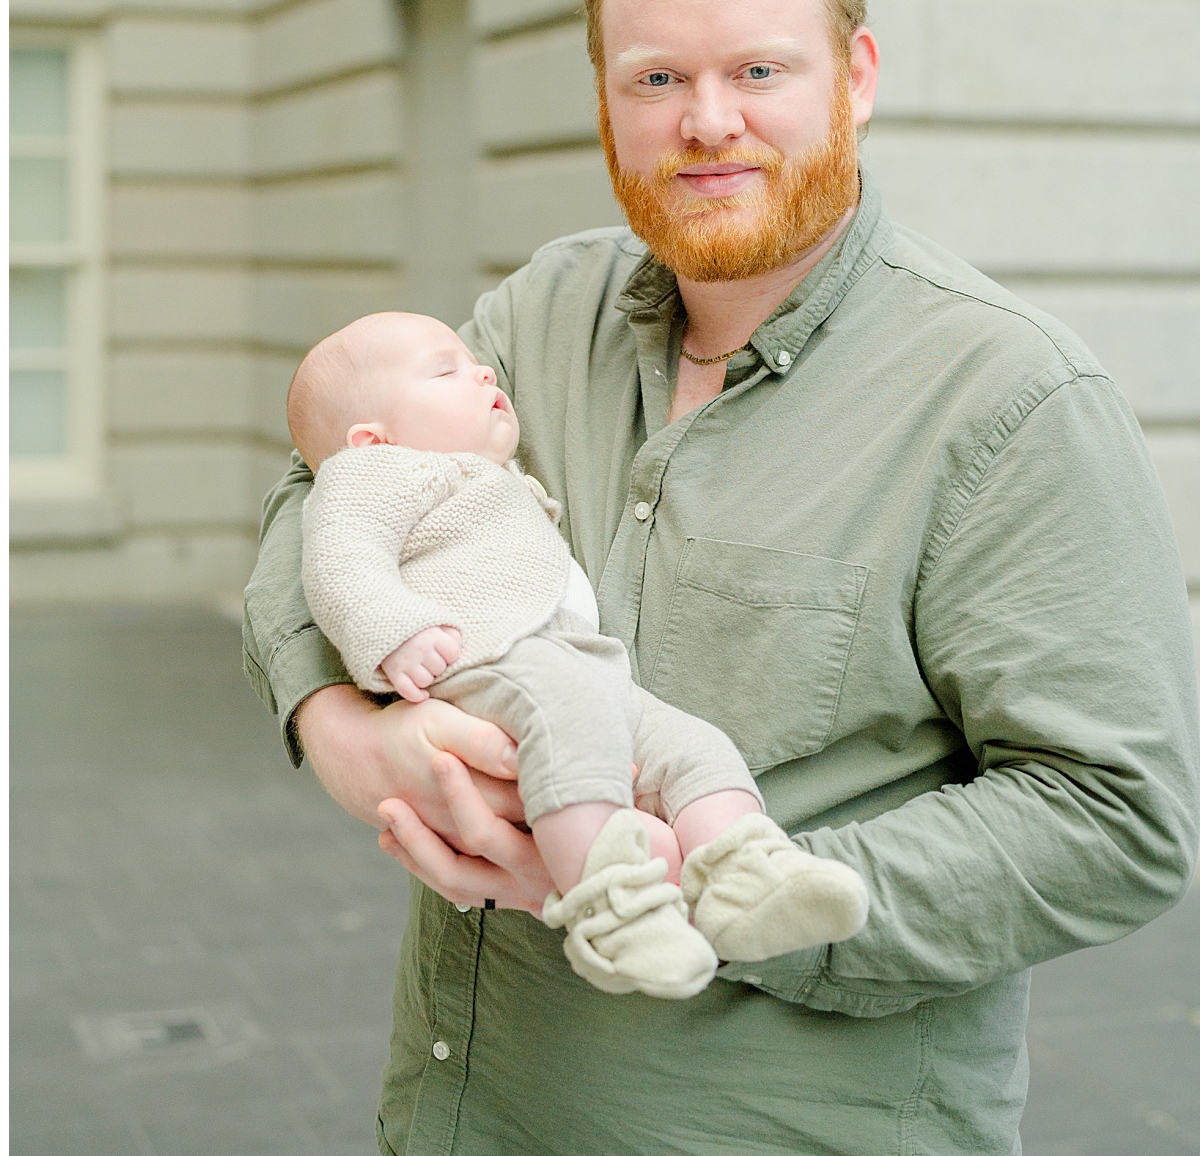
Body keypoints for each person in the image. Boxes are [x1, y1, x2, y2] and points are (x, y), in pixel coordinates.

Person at [243, 0, 1200, 1153]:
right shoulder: (541, 313)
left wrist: (716, 897)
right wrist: (345, 734)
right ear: (605, 99)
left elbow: (1115, 818)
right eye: (655, 79)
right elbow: (328, 490)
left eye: (758, 71)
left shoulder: (1014, 399)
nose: (707, 124)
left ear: (854, 76)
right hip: (469, 1115)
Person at [292, 309, 867, 999]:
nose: (481, 370)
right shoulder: (371, 477)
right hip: (486, 656)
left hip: (578, 662)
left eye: (474, 361)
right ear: (371, 439)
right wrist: (395, 632)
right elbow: (339, 561)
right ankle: (611, 908)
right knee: (573, 736)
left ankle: (745, 868)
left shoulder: (485, 475)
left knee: (691, 744)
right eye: (445, 371)